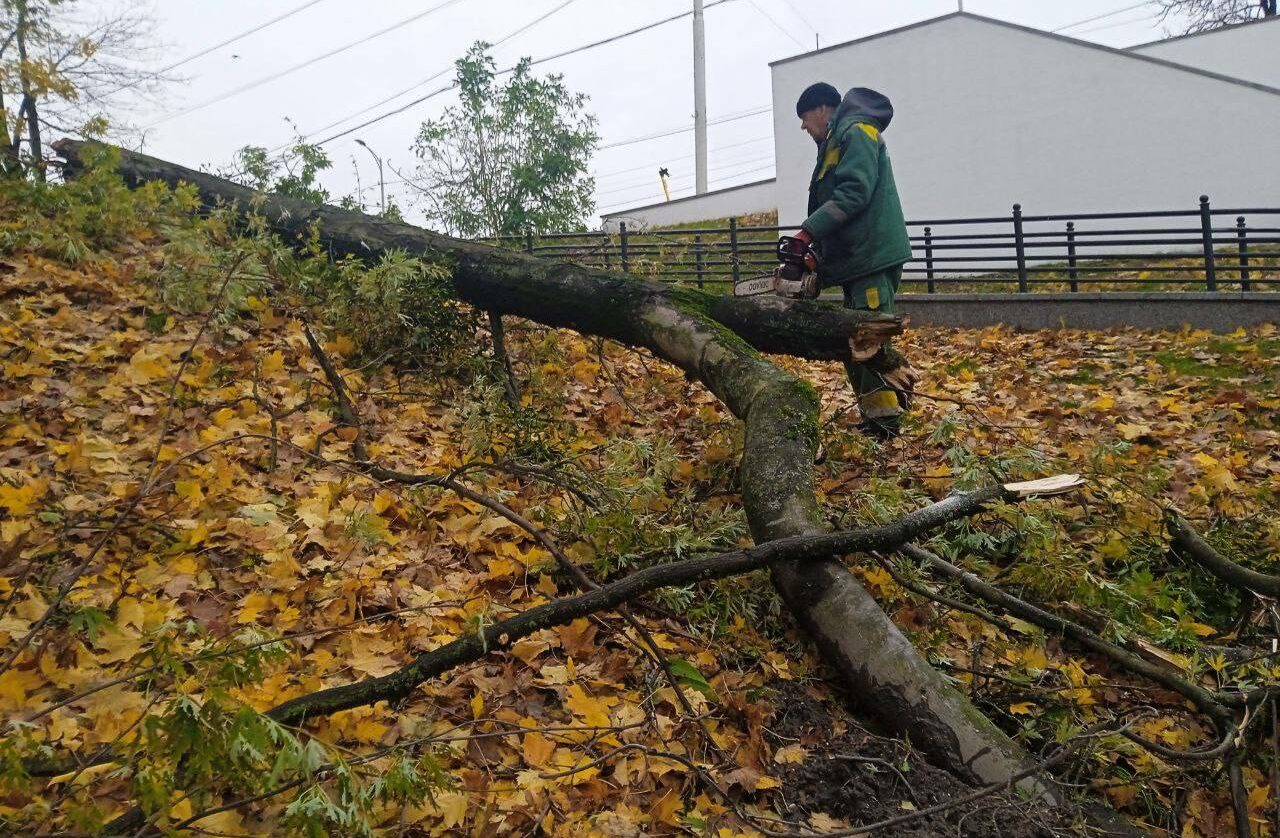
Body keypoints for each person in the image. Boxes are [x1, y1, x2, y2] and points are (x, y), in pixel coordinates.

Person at [784, 82, 916, 440]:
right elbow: (838, 208)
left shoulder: (857, 133)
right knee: (853, 342)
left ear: (823, 110)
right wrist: (818, 259)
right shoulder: (834, 142)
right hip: (857, 258)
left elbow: (854, 193)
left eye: (804, 118)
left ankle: (886, 426)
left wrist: (807, 233)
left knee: (870, 340)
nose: (803, 127)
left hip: (871, 256)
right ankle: (876, 418)